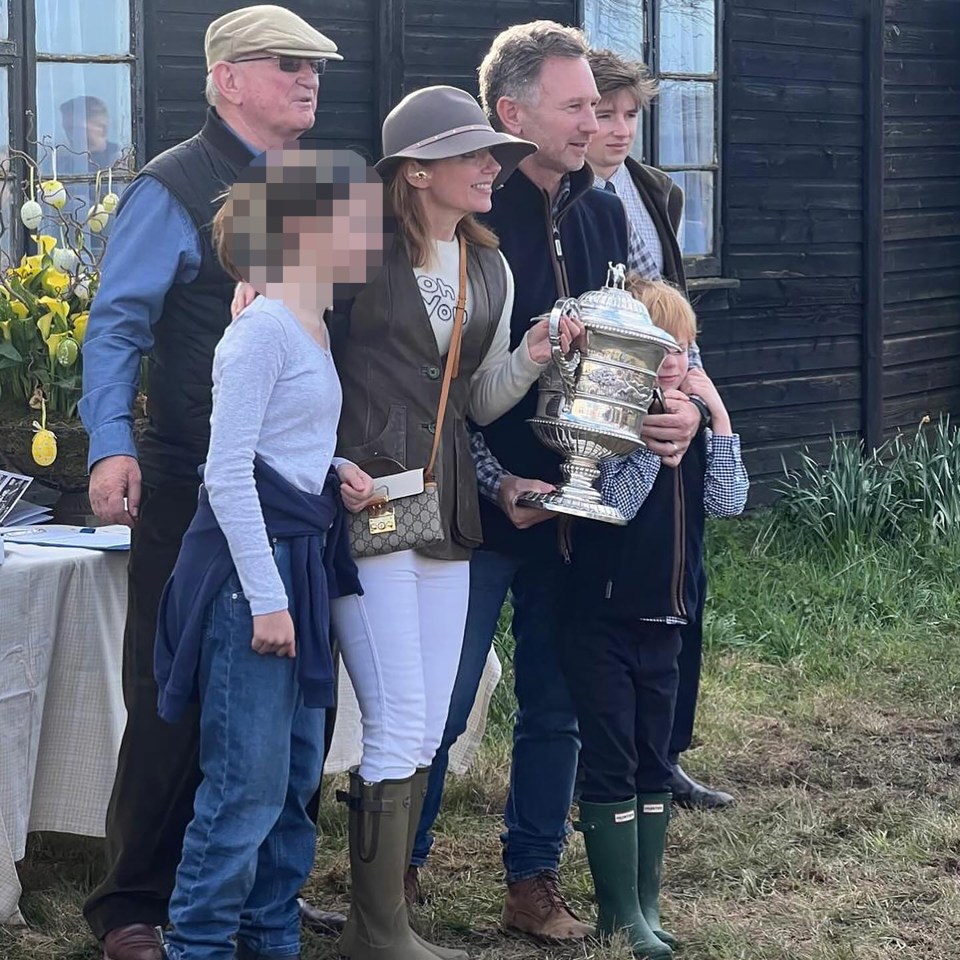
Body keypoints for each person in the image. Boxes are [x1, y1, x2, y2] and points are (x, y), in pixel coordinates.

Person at [232, 83, 575, 960]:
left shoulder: (491, 267)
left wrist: (532, 355)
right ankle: (376, 931)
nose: (491, 167)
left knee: (430, 725)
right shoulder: (363, 251)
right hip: (365, 499)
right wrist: (255, 291)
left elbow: (474, 397)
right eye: (472, 154)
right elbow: (294, 313)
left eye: (491, 153)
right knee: (398, 712)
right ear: (417, 172)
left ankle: (382, 924)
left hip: (448, 504)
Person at [405, 21, 704, 941]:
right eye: (576, 107)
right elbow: (444, 390)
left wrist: (681, 411)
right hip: (478, 503)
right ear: (512, 111)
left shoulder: (606, 211)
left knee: (559, 701)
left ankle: (531, 879)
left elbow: (644, 346)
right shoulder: (465, 224)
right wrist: (499, 484)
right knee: (442, 699)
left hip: (583, 505)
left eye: (595, 107)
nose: (593, 123)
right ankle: (399, 875)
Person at [78, 7, 348, 959]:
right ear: (228, 78)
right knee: (173, 687)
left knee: (277, 696)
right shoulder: (174, 184)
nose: (309, 79)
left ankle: (247, 893)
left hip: (299, 498)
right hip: (198, 480)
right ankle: (133, 904)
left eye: (315, 66)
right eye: (287, 65)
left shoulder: (306, 187)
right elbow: (116, 326)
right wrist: (110, 444)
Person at [152, 150, 378, 960]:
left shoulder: (308, 322)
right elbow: (226, 472)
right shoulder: (262, 332)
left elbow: (284, 447)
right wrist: (268, 598)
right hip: (258, 580)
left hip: (299, 562)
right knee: (244, 788)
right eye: (356, 216)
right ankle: (201, 946)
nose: (371, 229)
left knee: (292, 784)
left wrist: (335, 470)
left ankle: (270, 938)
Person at [560, 277, 747, 959]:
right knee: (610, 759)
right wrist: (649, 439)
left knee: (653, 760)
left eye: (685, 347)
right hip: (604, 618)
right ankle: (617, 916)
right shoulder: (610, 423)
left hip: (668, 620)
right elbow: (622, 502)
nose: (675, 359)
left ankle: (646, 904)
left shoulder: (695, 422)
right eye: (661, 346)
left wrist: (717, 418)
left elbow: (728, 501)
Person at [586, 48, 735, 809]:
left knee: (687, 578)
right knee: (620, 593)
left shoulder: (651, 190)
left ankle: (667, 753)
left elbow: (674, 310)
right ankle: (615, 763)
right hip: (610, 407)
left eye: (629, 115)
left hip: (676, 380)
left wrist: (697, 395)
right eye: (602, 113)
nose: (616, 129)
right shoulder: (572, 196)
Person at [59, 96, 122, 173]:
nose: (71, 136)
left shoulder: (121, 160)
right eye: (67, 129)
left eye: (77, 129)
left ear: (102, 128)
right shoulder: (62, 166)